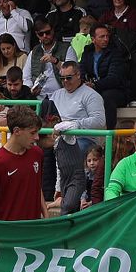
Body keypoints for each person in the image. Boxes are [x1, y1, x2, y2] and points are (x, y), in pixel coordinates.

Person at [49, 61, 106, 214]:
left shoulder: (91, 95)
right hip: (58, 137)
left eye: (69, 77)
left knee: (72, 150)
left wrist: (75, 125)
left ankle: (67, 195)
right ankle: (51, 193)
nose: (65, 82)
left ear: (78, 75)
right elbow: (48, 117)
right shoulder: (56, 95)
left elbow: (100, 121)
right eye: (62, 78)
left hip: (84, 139)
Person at [0, 105, 45, 221]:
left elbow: (37, 187)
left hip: (34, 230)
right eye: (32, 133)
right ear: (16, 131)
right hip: (8, 233)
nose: (37, 137)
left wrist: (46, 218)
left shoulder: (37, 153)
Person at [77, 21, 130, 130]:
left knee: (107, 97)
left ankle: (109, 133)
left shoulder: (115, 52)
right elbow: (80, 72)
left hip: (117, 91)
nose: (106, 39)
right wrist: (84, 84)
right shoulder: (87, 52)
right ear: (93, 39)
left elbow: (114, 78)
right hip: (94, 88)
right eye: (102, 37)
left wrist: (95, 85)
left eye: (107, 36)